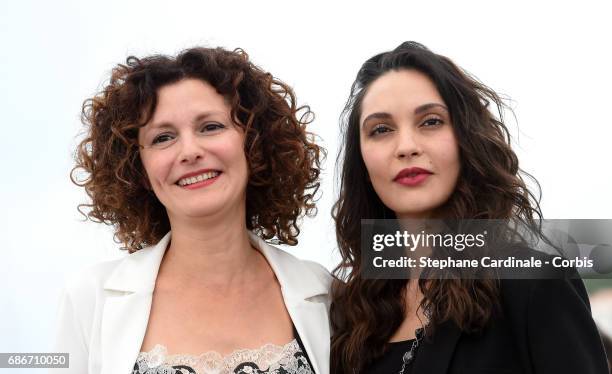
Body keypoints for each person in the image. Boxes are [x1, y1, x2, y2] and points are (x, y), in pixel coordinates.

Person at [330, 41, 608, 373]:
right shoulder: (350, 315)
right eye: (381, 129)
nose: (406, 146)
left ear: (466, 137)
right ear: (361, 159)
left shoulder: (533, 284)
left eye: (430, 122)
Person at [55, 47, 331, 374]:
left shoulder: (325, 294)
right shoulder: (89, 299)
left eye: (210, 127)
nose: (189, 151)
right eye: (163, 138)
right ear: (138, 168)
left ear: (254, 143)